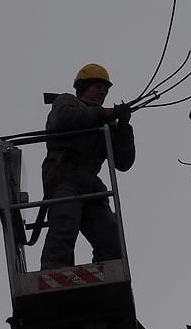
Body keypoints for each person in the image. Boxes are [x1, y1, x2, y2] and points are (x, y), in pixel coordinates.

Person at [39, 63, 135, 269]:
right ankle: (54, 273)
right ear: (83, 87)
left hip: (89, 182)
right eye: (97, 87)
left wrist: (123, 127)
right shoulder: (67, 101)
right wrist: (104, 114)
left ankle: (107, 275)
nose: (102, 92)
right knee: (64, 225)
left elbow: (123, 162)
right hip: (63, 174)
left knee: (110, 235)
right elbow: (64, 119)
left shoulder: (106, 122)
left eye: (105, 90)